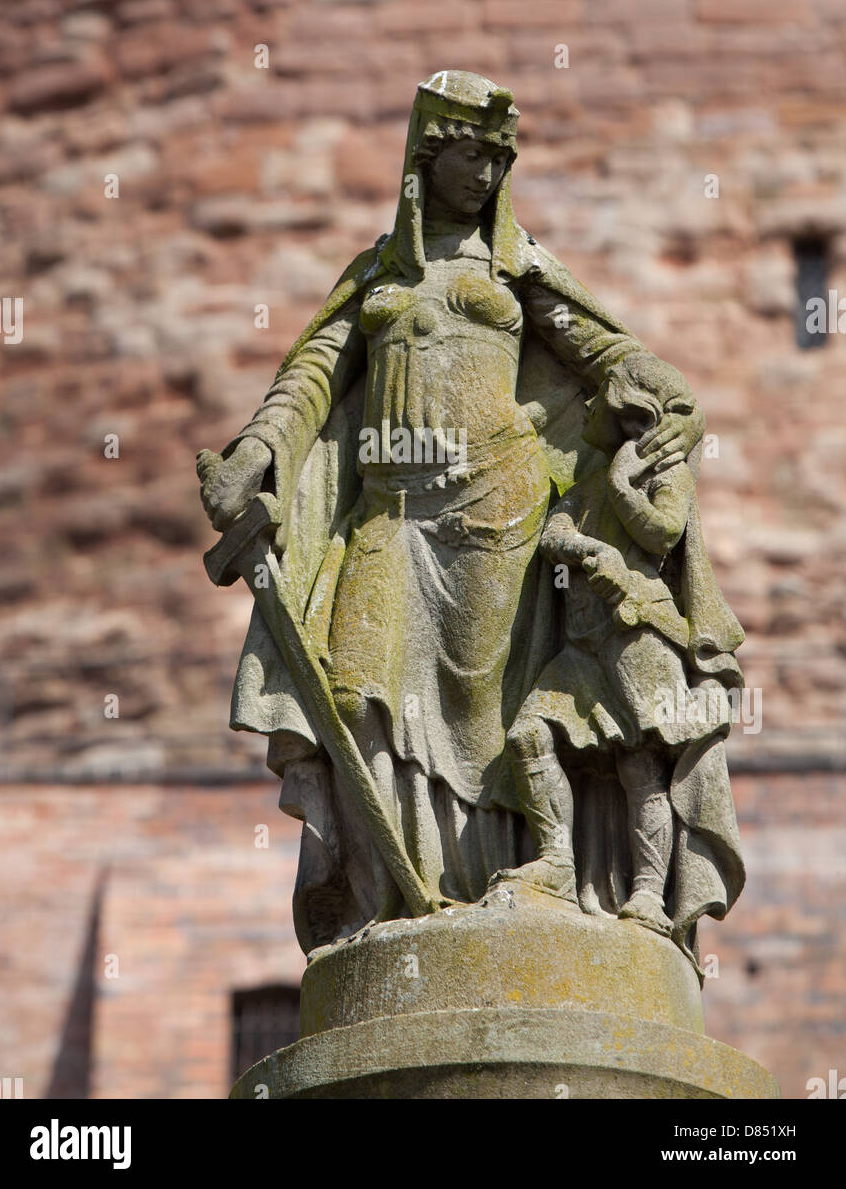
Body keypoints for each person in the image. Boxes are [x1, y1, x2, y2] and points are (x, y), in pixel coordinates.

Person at [197, 71, 729, 960]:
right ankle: (390, 906)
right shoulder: (375, 275)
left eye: (498, 160)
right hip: (392, 512)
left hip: (500, 509)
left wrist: (663, 418)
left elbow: (614, 358)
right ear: (427, 157)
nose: (484, 175)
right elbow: (309, 383)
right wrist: (253, 458)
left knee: (489, 713)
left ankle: (513, 885)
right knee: (354, 685)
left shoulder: (514, 269)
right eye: (470, 155)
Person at [496, 354, 745, 958]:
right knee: (530, 734)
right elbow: (559, 530)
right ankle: (557, 859)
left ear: (629, 408)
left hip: (640, 633)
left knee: (639, 765)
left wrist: (620, 489)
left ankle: (648, 897)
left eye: (598, 398)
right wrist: (570, 538)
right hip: (585, 643)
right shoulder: (587, 480)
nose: (586, 407)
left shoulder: (660, 469)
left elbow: (661, 533)